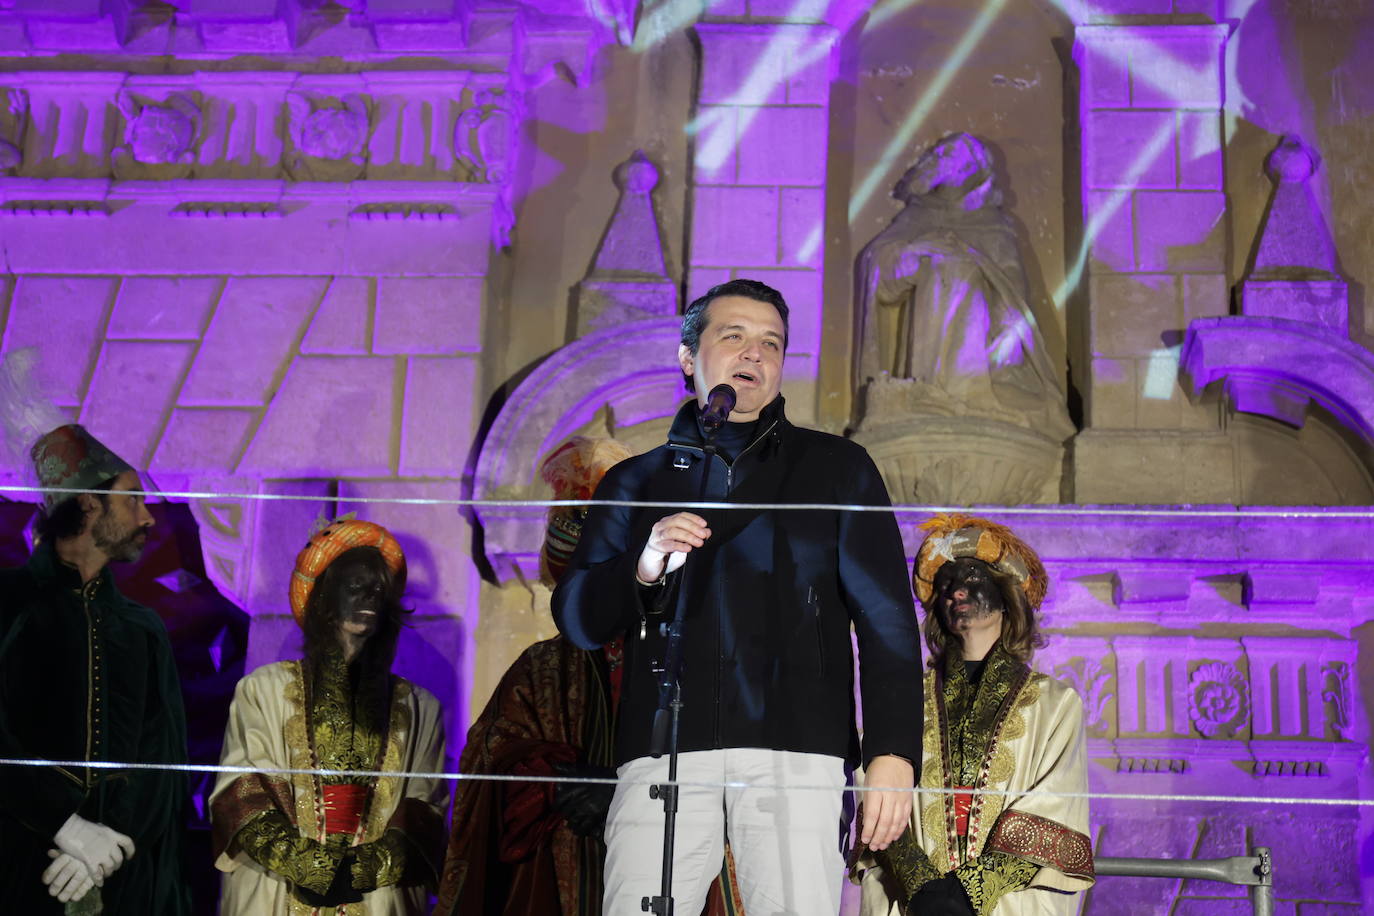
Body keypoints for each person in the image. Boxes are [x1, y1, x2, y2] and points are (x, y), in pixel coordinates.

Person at [553, 278, 925, 915]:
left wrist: (893, 752)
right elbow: (580, 620)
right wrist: (643, 566)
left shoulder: (837, 468)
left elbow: (887, 618)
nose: (754, 354)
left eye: (772, 343)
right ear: (688, 356)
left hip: (798, 753)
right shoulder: (636, 480)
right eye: (734, 337)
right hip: (664, 754)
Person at [436, 436, 744, 915]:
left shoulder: (696, 654)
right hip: (564, 870)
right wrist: (557, 784)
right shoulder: (540, 668)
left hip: (674, 861)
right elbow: (489, 768)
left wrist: (628, 795)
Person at [852, 514, 1094, 915]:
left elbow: (1056, 806)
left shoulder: (1055, 703)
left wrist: (968, 891)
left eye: (971, 579)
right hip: (914, 899)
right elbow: (872, 796)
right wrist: (922, 885)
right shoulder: (905, 698)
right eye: (945, 585)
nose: (955, 591)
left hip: (1007, 902)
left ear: (1005, 597)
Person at [0, 423, 192, 914]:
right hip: (17, 864)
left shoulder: (142, 629)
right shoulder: (7, 605)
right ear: (88, 504)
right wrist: (67, 827)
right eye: (132, 499)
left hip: (123, 876)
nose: (147, 518)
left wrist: (104, 849)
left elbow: (163, 759)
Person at [209, 519, 447, 913]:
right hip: (279, 891)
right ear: (323, 598)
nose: (368, 597)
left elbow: (426, 807)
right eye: (354, 586)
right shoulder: (263, 690)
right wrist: (310, 866)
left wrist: (368, 867)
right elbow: (242, 789)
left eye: (377, 589)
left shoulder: (420, 707)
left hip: (374, 895)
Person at [852, 132, 1072, 440]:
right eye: (937, 155)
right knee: (947, 263)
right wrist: (916, 252)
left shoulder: (993, 223)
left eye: (948, 156)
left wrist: (967, 262)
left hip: (990, 351)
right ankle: (934, 390)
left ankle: (963, 391)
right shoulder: (917, 217)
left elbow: (1012, 292)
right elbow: (881, 267)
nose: (936, 161)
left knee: (958, 266)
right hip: (926, 348)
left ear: (972, 168)